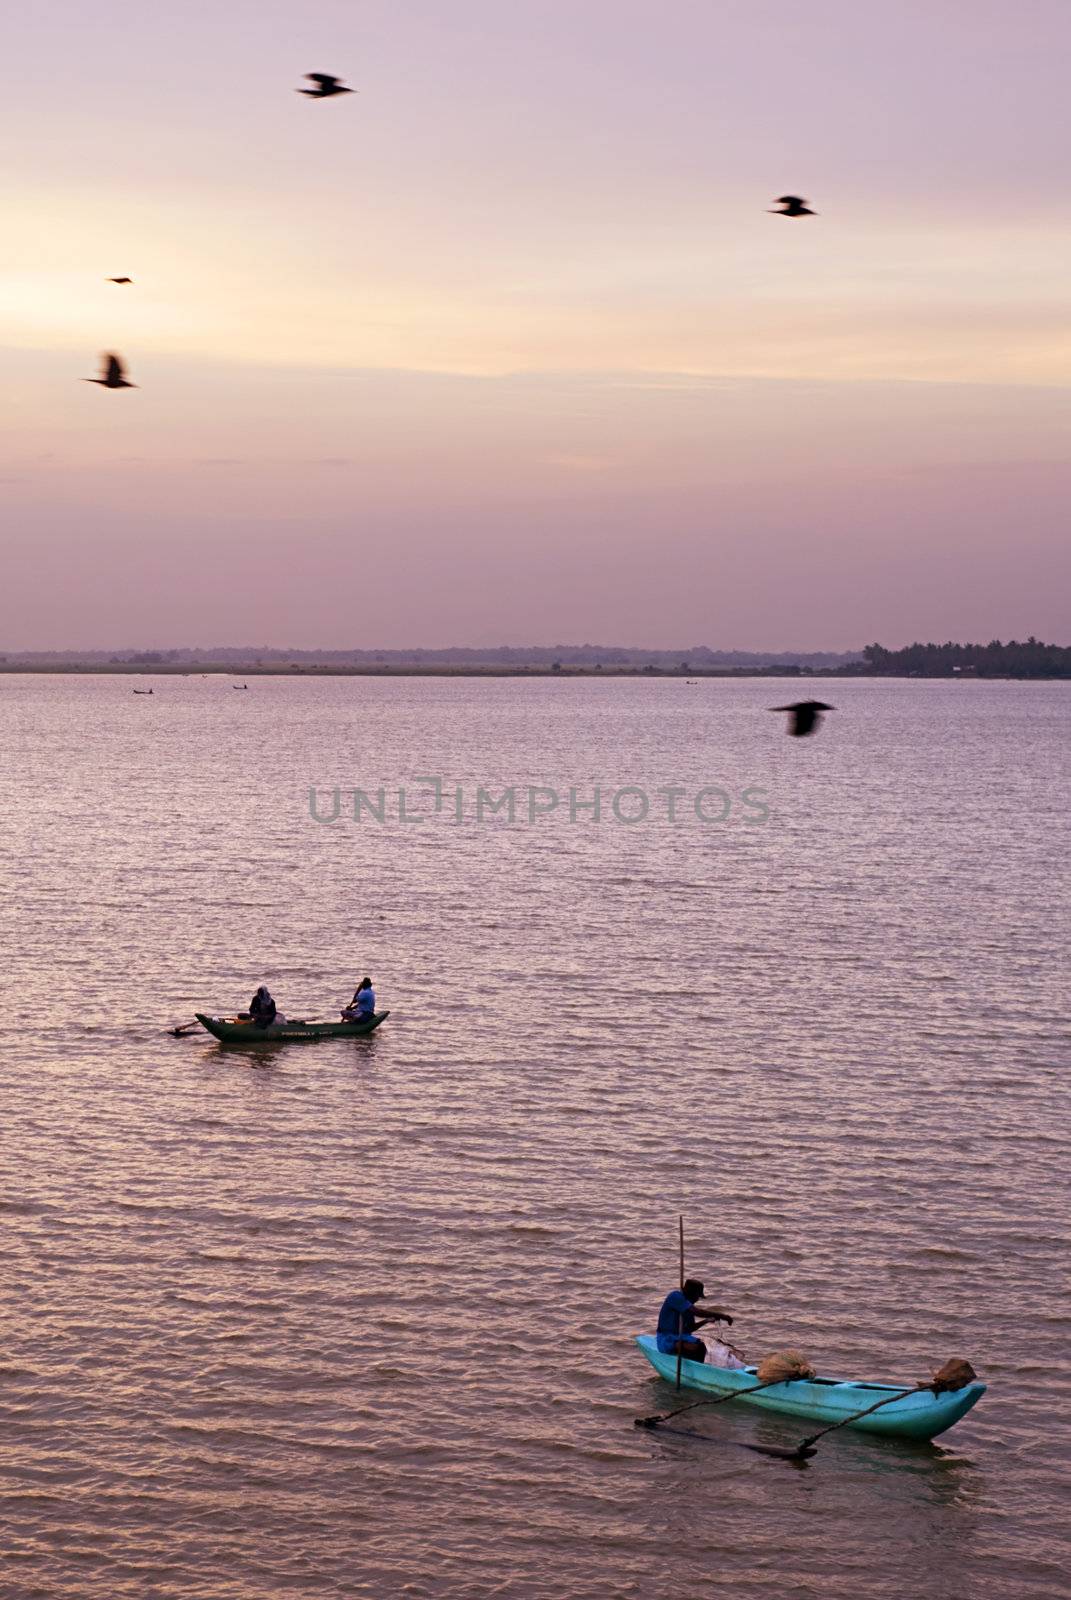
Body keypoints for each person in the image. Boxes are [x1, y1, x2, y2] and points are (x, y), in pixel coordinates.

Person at [655, 1278, 733, 1362]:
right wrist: (722, 1316)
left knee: (707, 1348)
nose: (697, 1299)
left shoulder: (688, 1307)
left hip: (683, 1337)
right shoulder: (675, 1296)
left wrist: (706, 1321)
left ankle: (701, 1365)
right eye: (697, 1296)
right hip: (667, 1339)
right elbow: (698, 1312)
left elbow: (691, 1328)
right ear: (691, 1294)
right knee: (698, 1349)